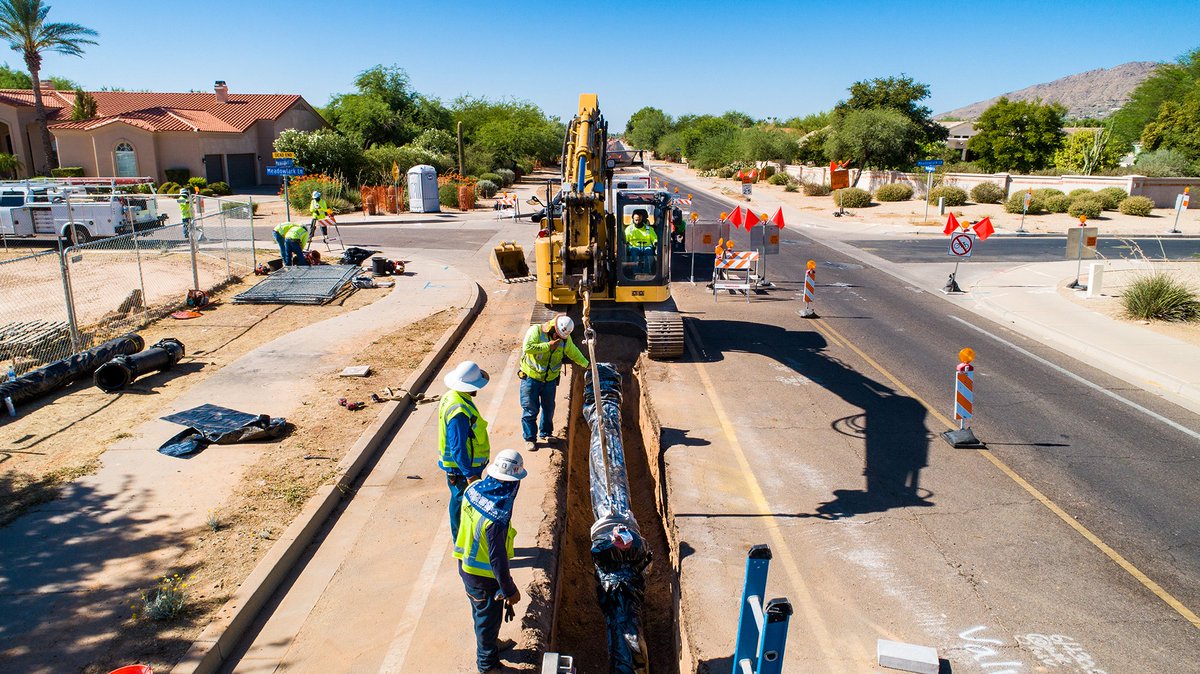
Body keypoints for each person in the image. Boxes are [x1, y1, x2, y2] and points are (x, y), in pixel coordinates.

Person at [454, 448, 527, 674]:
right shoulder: (496, 517)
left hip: (466, 566)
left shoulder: (473, 489)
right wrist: (509, 589)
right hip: (484, 578)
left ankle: (491, 646)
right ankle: (487, 665)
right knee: (487, 619)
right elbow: (497, 559)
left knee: (480, 613)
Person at [439, 360, 492, 540]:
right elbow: (458, 447)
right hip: (462, 470)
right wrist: (469, 475)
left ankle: (466, 542)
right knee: (462, 504)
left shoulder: (453, 397)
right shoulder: (459, 411)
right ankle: (462, 545)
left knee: (461, 502)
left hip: (462, 468)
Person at [519, 315, 588, 452]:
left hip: (549, 380)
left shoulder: (565, 340)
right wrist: (547, 346)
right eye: (557, 334)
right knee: (530, 410)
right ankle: (530, 438)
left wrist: (586, 364)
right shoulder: (536, 332)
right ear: (552, 328)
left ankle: (545, 433)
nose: (559, 338)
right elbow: (527, 347)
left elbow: (573, 353)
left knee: (548, 408)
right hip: (531, 379)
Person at [624, 208, 658, 274]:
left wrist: (656, 243)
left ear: (642, 219)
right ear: (633, 219)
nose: (637, 221)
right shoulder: (629, 229)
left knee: (648, 255)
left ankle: (647, 272)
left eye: (639, 219)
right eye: (636, 220)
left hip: (647, 247)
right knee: (635, 255)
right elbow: (625, 240)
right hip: (634, 247)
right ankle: (636, 273)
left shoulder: (649, 229)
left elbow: (654, 238)